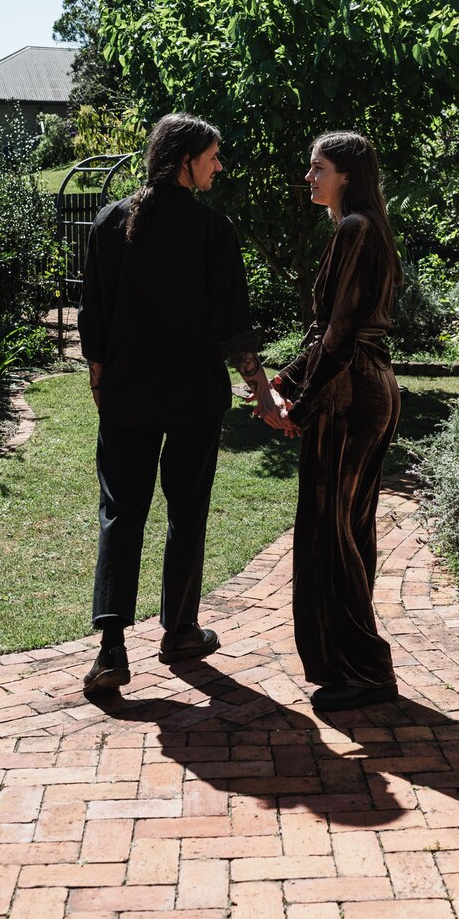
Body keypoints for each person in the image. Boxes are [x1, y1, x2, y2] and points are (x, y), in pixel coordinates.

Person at [78, 113, 281, 693]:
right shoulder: (212, 231)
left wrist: (101, 386)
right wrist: (262, 390)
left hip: (126, 396)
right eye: (213, 156)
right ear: (183, 160)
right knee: (185, 511)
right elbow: (233, 328)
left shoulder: (111, 219)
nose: (219, 166)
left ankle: (112, 648)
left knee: (121, 513)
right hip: (194, 397)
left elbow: (94, 315)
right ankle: (181, 630)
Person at [270, 131, 402, 712]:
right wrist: (283, 381)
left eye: (318, 167)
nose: (309, 177)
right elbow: (331, 335)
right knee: (348, 525)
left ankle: (366, 669)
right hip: (366, 386)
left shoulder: (356, 229)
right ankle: (351, 662)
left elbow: (341, 335)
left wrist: (300, 403)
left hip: (353, 396)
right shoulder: (364, 228)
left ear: (346, 174)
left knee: (334, 530)